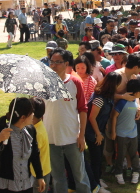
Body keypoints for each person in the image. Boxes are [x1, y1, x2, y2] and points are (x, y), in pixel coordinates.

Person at [45, 49, 91, 192]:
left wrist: (81, 135)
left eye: (57, 62)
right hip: (51, 138)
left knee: (80, 176)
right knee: (58, 178)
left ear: (66, 64)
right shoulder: (44, 83)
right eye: (51, 61)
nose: (53, 65)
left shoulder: (75, 82)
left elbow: (83, 110)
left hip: (72, 138)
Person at [0, 98, 45, 193]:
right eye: (31, 112)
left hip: (26, 186)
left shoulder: (31, 130)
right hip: (5, 188)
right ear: (23, 117)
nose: (33, 114)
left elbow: (35, 155)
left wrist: (40, 176)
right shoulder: (3, 130)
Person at [85, 72, 121, 191]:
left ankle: (97, 179)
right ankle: (95, 186)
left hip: (99, 131)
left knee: (99, 158)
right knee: (96, 159)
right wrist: (98, 134)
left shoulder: (107, 97)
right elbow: (92, 118)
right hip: (93, 133)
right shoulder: (99, 98)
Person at [110, 78, 140, 185]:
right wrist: (113, 131)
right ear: (138, 93)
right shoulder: (122, 102)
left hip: (133, 134)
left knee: (134, 154)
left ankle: (136, 172)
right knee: (120, 155)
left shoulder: (135, 102)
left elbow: (135, 110)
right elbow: (114, 116)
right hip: (121, 134)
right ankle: (118, 173)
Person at [29, 98, 51, 193]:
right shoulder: (38, 125)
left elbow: (31, 155)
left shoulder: (38, 133)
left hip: (39, 174)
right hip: (40, 172)